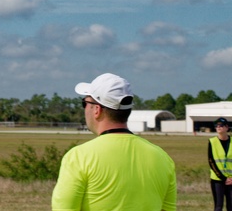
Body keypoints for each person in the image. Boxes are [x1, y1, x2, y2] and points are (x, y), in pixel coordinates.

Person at [52, 72, 177, 211]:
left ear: (97, 110)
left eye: (85, 103)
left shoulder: (78, 157)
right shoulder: (163, 158)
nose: (84, 108)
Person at [208, 117, 232, 211]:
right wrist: (223, 178)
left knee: (231, 207)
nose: (218, 127)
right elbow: (211, 161)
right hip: (217, 179)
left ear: (227, 127)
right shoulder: (212, 141)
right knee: (218, 207)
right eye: (216, 126)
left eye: (221, 125)